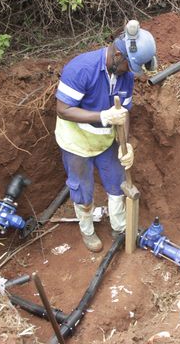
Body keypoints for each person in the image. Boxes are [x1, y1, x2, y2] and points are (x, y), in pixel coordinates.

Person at [54, 20, 157, 252]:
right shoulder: (81, 68)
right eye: (128, 66)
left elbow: (124, 113)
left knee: (117, 184)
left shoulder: (125, 77)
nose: (129, 72)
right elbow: (63, 109)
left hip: (105, 141)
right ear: (118, 54)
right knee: (83, 190)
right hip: (77, 142)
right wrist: (103, 116)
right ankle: (87, 230)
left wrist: (125, 144)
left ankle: (119, 227)